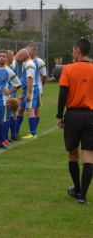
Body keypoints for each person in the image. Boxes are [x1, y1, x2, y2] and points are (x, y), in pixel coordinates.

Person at [57, 39, 93, 205]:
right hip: (90, 116)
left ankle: (77, 189)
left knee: (73, 153)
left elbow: (63, 93)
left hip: (72, 115)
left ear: (78, 50)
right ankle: (83, 196)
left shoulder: (68, 69)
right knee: (88, 156)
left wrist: (59, 115)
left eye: (73, 50)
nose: (72, 53)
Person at [15, 48, 39, 139]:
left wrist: (28, 93)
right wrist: (22, 93)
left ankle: (33, 133)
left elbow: (30, 79)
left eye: (20, 54)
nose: (19, 56)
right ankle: (16, 131)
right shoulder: (26, 63)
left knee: (29, 110)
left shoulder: (30, 64)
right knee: (20, 109)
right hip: (27, 89)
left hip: (31, 89)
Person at [27, 43, 47, 130]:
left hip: (36, 88)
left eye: (31, 50)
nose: (29, 52)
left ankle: (33, 130)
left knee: (36, 109)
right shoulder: (27, 61)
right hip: (28, 88)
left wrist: (40, 85)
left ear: (35, 50)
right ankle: (33, 130)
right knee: (27, 109)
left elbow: (44, 76)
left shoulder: (40, 62)